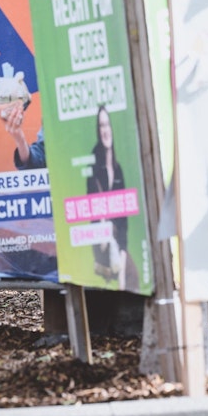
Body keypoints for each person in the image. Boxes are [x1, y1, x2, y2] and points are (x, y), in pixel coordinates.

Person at [85, 105, 132, 289]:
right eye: (101, 126)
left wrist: (122, 257)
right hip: (101, 252)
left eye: (107, 125)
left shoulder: (118, 167)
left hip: (119, 250)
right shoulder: (94, 165)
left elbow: (124, 221)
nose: (105, 131)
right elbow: (93, 209)